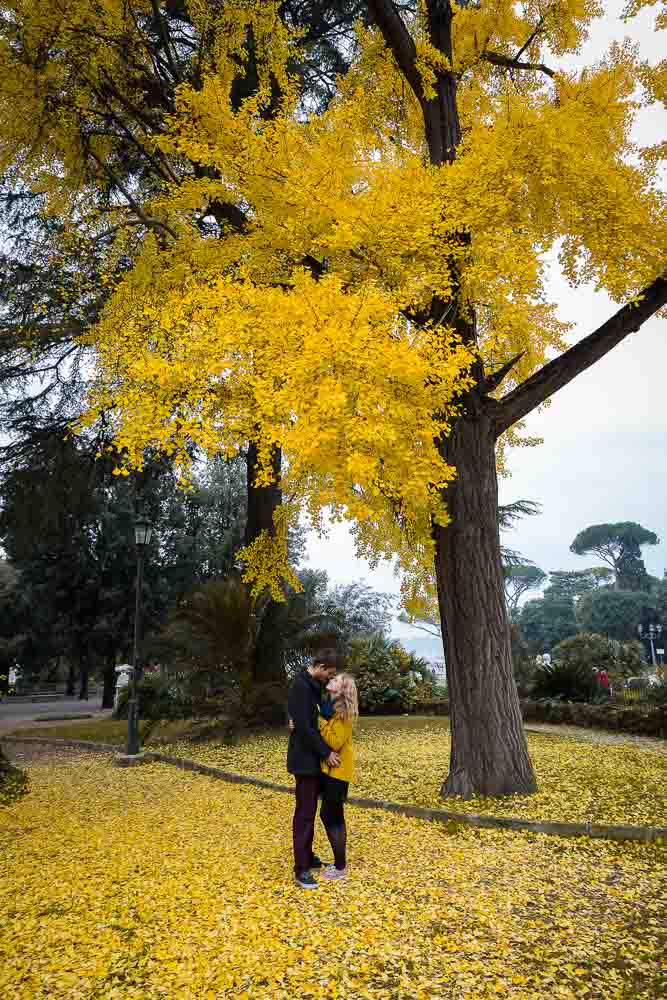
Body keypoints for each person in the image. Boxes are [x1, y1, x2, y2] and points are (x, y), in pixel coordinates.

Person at [287, 651, 340, 890]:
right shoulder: (300, 686)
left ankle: (307, 857)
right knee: (305, 814)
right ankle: (301, 870)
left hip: (314, 760)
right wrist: (326, 753)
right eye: (329, 672)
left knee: (310, 811)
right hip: (305, 761)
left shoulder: (314, 686)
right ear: (319, 666)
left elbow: (318, 716)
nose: (331, 677)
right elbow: (305, 728)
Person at [317, 671, 359, 881]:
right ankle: (339, 863)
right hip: (330, 771)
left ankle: (341, 867)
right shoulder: (328, 707)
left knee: (330, 815)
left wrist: (319, 720)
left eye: (336, 680)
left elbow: (334, 742)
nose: (331, 680)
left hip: (339, 773)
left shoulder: (343, 713)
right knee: (332, 815)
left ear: (342, 690)